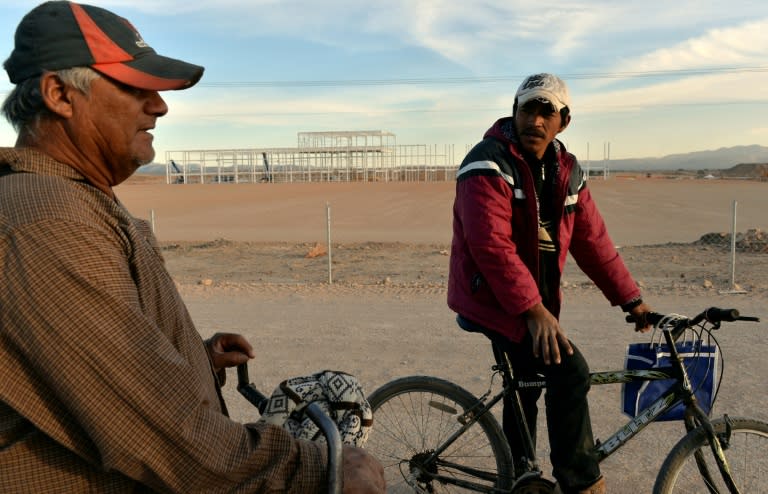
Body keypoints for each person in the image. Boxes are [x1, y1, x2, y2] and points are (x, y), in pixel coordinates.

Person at [0, 2, 384, 492]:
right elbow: (157, 430)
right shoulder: (48, 222)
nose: (159, 105)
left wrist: (195, 360)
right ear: (59, 94)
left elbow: (86, 376)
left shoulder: (72, 199)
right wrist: (320, 470)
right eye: (134, 87)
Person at [447, 73, 651, 494]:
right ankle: (580, 481)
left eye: (547, 112)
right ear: (514, 110)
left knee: (526, 384)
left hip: (528, 301)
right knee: (570, 370)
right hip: (490, 297)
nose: (535, 121)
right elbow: (491, 246)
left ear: (564, 121)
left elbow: (594, 243)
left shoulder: (567, 172)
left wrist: (631, 300)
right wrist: (534, 310)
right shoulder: (487, 161)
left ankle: (518, 477)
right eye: (528, 109)